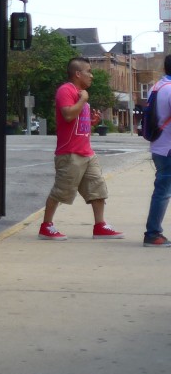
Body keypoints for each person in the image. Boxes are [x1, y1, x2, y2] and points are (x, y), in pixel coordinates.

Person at [38, 57, 124, 240]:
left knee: (97, 188)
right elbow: (68, 114)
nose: (91, 75)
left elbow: (77, 124)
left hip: (86, 152)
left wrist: (91, 122)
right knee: (61, 191)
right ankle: (46, 226)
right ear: (78, 74)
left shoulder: (81, 93)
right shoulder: (66, 90)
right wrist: (83, 100)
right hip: (70, 153)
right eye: (89, 71)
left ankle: (100, 225)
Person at [143, 54, 171, 247]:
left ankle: (153, 232)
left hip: (160, 146)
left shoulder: (158, 86)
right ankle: (153, 234)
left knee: (162, 190)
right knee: (162, 191)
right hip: (169, 148)